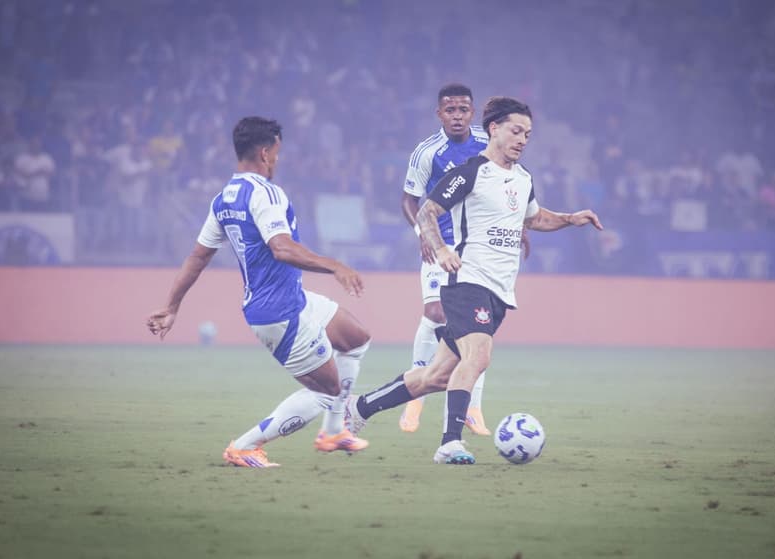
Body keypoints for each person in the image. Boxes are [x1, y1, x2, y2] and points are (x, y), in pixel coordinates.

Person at [347, 97, 603, 464]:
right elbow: (427, 211)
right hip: (468, 281)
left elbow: (533, 218)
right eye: (516, 131)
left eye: (528, 134)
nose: (522, 139)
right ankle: (450, 442)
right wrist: (440, 250)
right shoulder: (470, 172)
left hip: (499, 291)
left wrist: (569, 218)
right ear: (494, 129)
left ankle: (359, 408)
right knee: (478, 356)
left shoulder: (523, 178)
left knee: (436, 376)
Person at [146, 116, 370, 467]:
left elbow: (198, 256)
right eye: (277, 153)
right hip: (279, 312)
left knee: (356, 339)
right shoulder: (265, 192)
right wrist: (335, 266)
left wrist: (172, 306)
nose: (278, 160)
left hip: (291, 300)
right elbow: (281, 248)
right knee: (327, 390)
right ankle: (245, 446)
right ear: (265, 153)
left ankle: (333, 430)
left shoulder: (224, 199)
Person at [398, 83, 529, 435]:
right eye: (450, 110)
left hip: (478, 247)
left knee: (476, 331)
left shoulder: (489, 142)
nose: (457, 116)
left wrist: (520, 227)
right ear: (439, 114)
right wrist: (423, 235)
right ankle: (416, 393)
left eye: (463, 110)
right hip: (439, 243)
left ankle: (472, 407)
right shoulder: (427, 152)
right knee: (434, 312)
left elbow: (509, 187)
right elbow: (409, 200)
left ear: (472, 113)